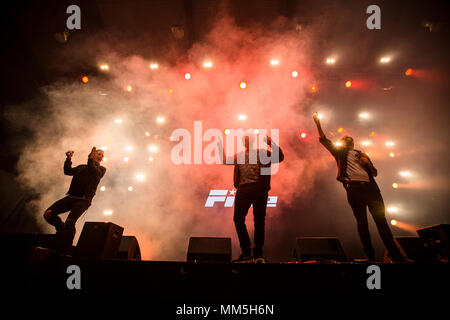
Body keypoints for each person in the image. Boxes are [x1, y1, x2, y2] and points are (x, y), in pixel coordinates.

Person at [312, 113, 406, 262]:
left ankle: (396, 256)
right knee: (362, 222)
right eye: (344, 138)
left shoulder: (362, 154)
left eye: (350, 139)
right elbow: (324, 140)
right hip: (354, 189)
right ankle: (370, 256)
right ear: (342, 143)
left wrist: (367, 163)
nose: (347, 139)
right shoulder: (340, 153)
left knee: (381, 222)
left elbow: (374, 173)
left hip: (372, 189)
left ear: (353, 143)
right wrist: (317, 123)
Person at [218, 134, 284, 263]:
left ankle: (258, 253)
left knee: (259, 220)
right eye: (245, 140)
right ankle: (247, 252)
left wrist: (271, 143)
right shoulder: (240, 155)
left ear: (253, 142)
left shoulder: (263, 153)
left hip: (259, 189)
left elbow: (280, 157)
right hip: (243, 189)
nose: (247, 142)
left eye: (249, 140)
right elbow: (224, 160)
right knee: (238, 219)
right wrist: (219, 145)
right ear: (244, 143)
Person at [43, 147, 106, 251]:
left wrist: (90, 159)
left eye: (102, 155)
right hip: (71, 197)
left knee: (70, 222)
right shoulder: (81, 167)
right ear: (93, 154)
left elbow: (93, 170)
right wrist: (68, 159)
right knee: (48, 213)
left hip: (84, 200)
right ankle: (61, 232)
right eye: (98, 154)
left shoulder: (101, 170)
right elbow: (67, 171)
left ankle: (66, 248)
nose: (101, 156)